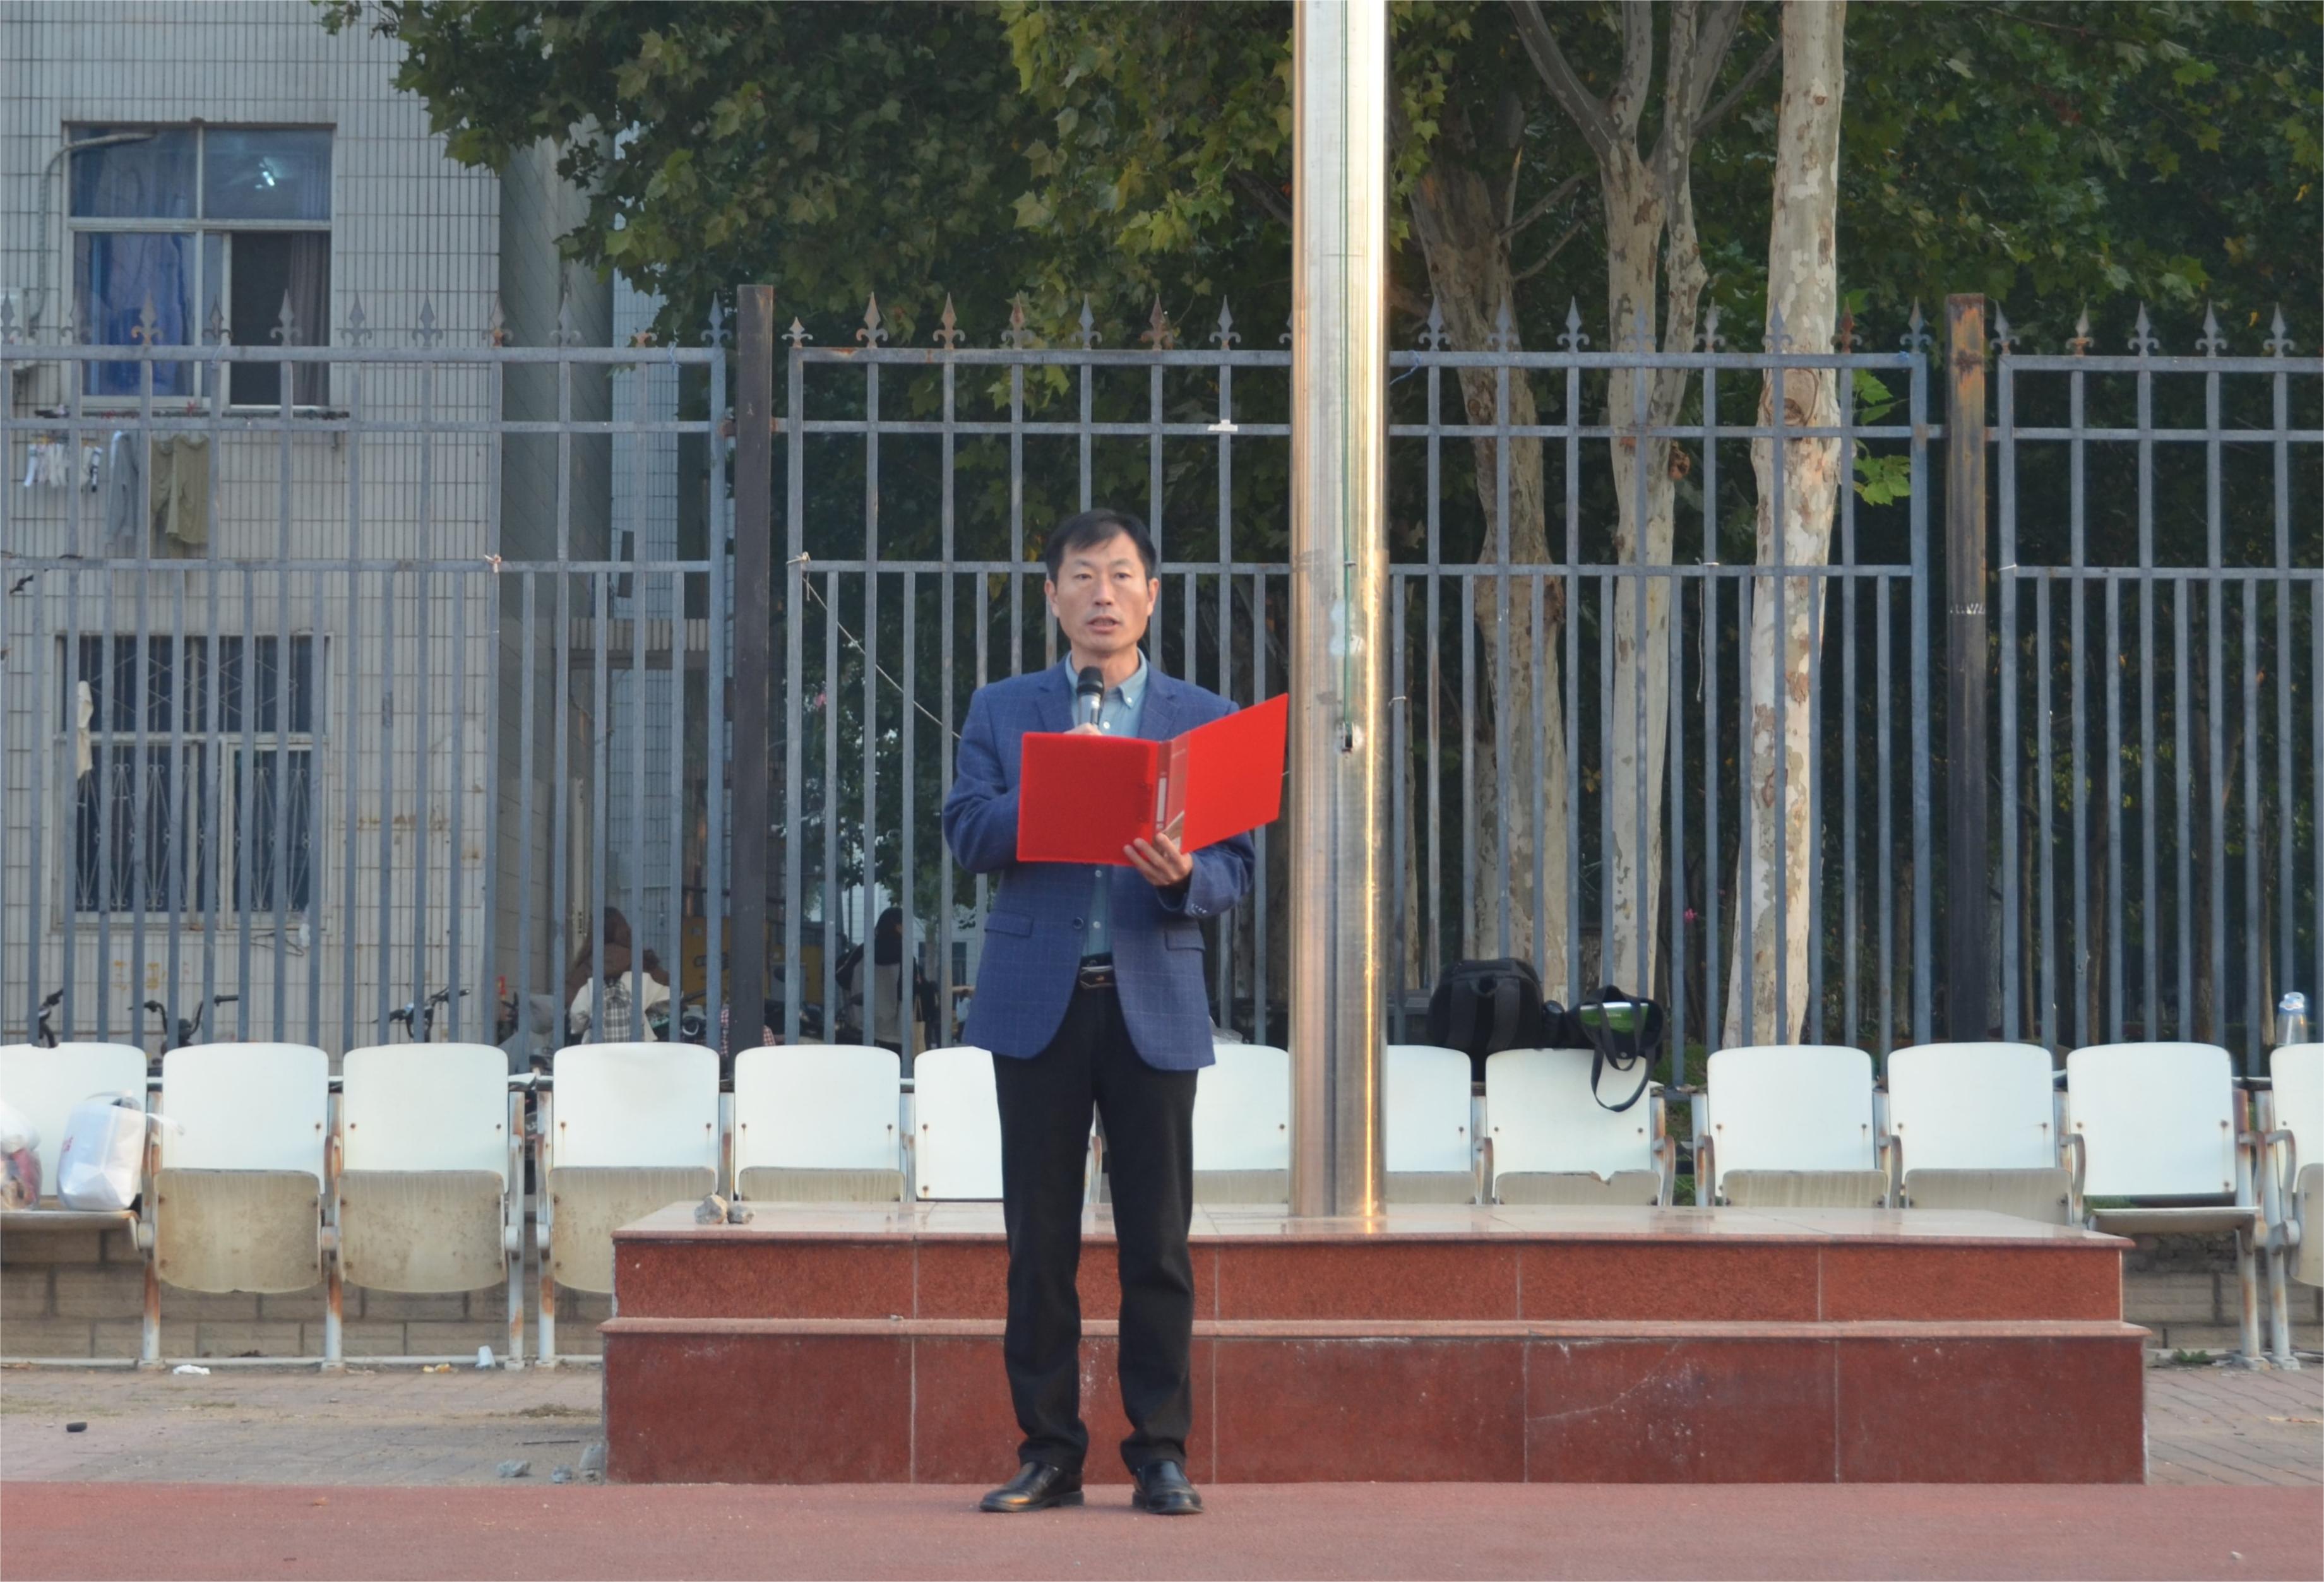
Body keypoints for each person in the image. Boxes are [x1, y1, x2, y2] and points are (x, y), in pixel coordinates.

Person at [941, 508, 1254, 1518]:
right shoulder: (1004, 709)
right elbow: (966, 831)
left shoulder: (1203, 715)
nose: (1102, 594)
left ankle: (1159, 1451)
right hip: (1038, 1002)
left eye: (1121, 575)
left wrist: (1182, 875)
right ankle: (1049, 1452)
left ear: (1151, 596)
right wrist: (1053, 788)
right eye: (1082, 575)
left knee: (1157, 1240)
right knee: (1039, 1243)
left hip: (1151, 998)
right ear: (1053, 596)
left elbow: (1236, 866)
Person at [835, 907, 939, 1055]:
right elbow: (911, 990)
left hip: (863, 1024)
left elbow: (841, 975)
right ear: (898, 927)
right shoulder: (905, 955)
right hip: (895, 1030)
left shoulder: (864, 951)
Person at [564, 907, 670, 1042]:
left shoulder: (583, 971)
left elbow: (576, 1017)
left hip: (597, 1050)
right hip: (639, 1049)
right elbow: (670, 999)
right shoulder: (644, 965)